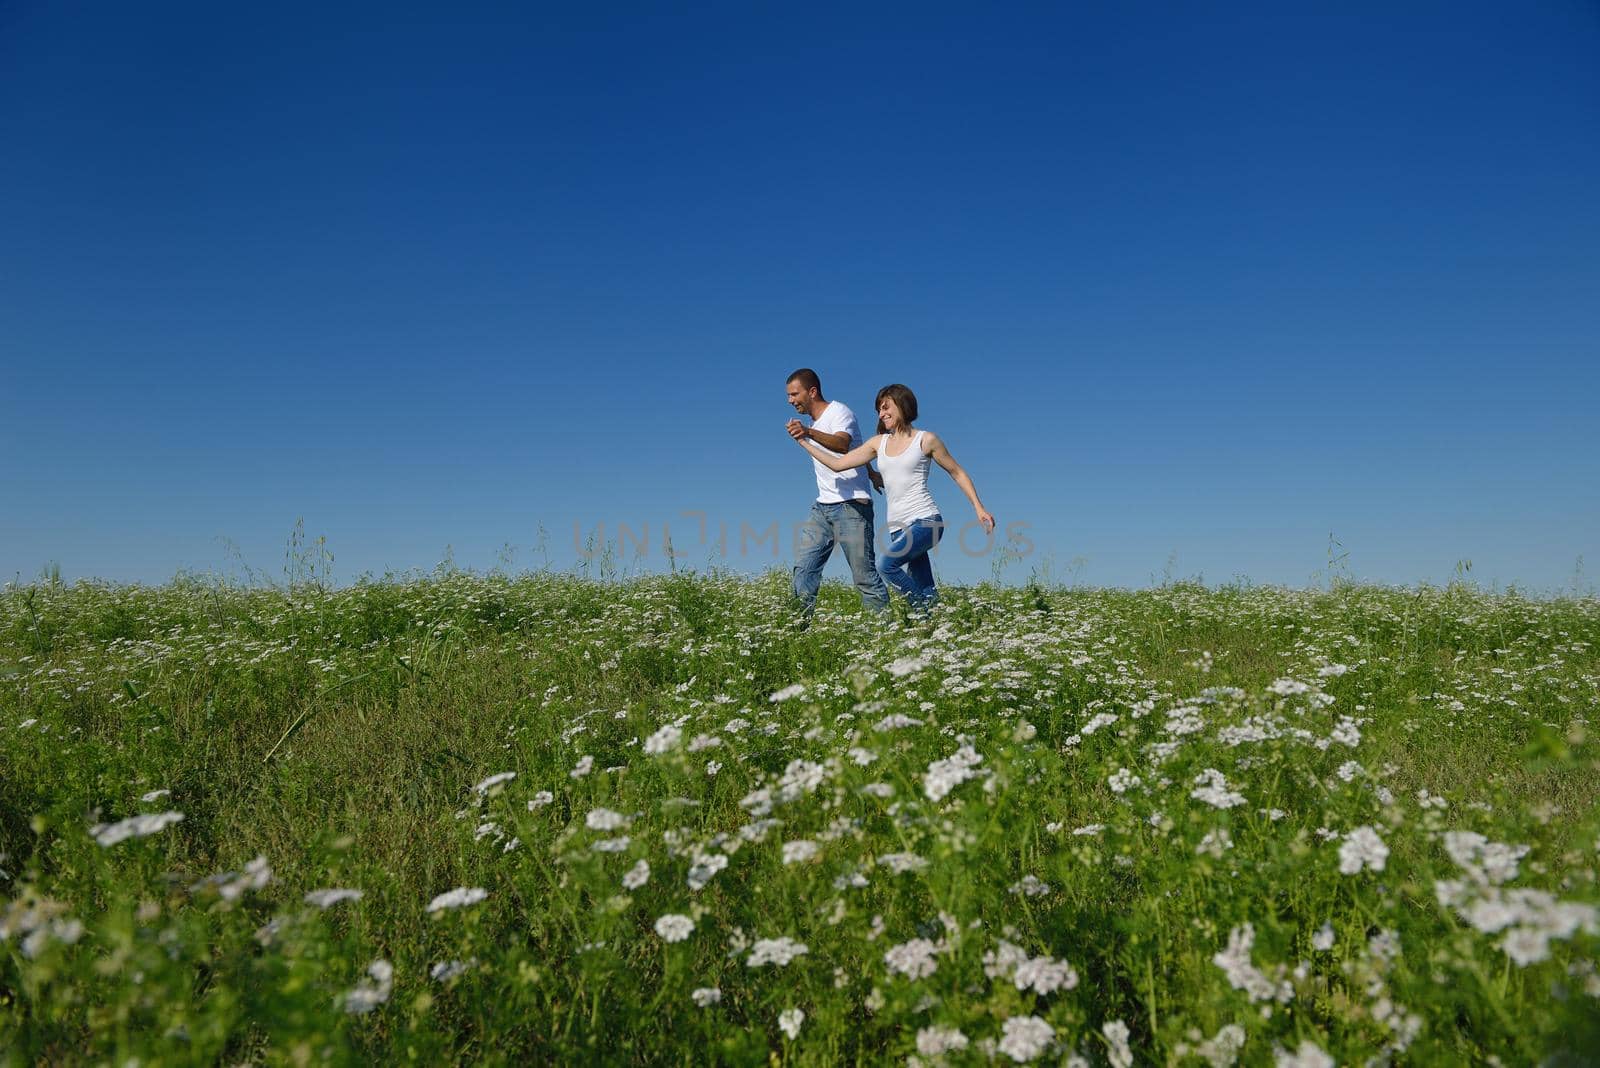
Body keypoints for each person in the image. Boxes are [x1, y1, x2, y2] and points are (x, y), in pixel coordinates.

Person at [791, 383, 993, 610]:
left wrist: (978, 507)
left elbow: (957, 472)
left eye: (886, 407)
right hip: (898, 527)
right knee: (925, 585)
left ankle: (924, 612)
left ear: (903, 405)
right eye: (879, 409)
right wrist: (803, 442)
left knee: (886, 565)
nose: (881, 413)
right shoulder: (878, 443)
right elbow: (837, 464)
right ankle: (933, 623)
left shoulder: (926, 440)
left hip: (927, 521)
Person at [784, 368, 890, 621]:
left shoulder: (839, 412)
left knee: (863, 576)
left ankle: (887, 632)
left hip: (852, 506)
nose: (790, 400)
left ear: (812, 391)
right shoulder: (815, 423)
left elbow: (843, 444)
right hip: (823, 507)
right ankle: (796, 628)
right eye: (788, 396)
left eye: (794, 394)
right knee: (804, 569)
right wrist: (871, 472)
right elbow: (858, 448)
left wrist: (808, 433)